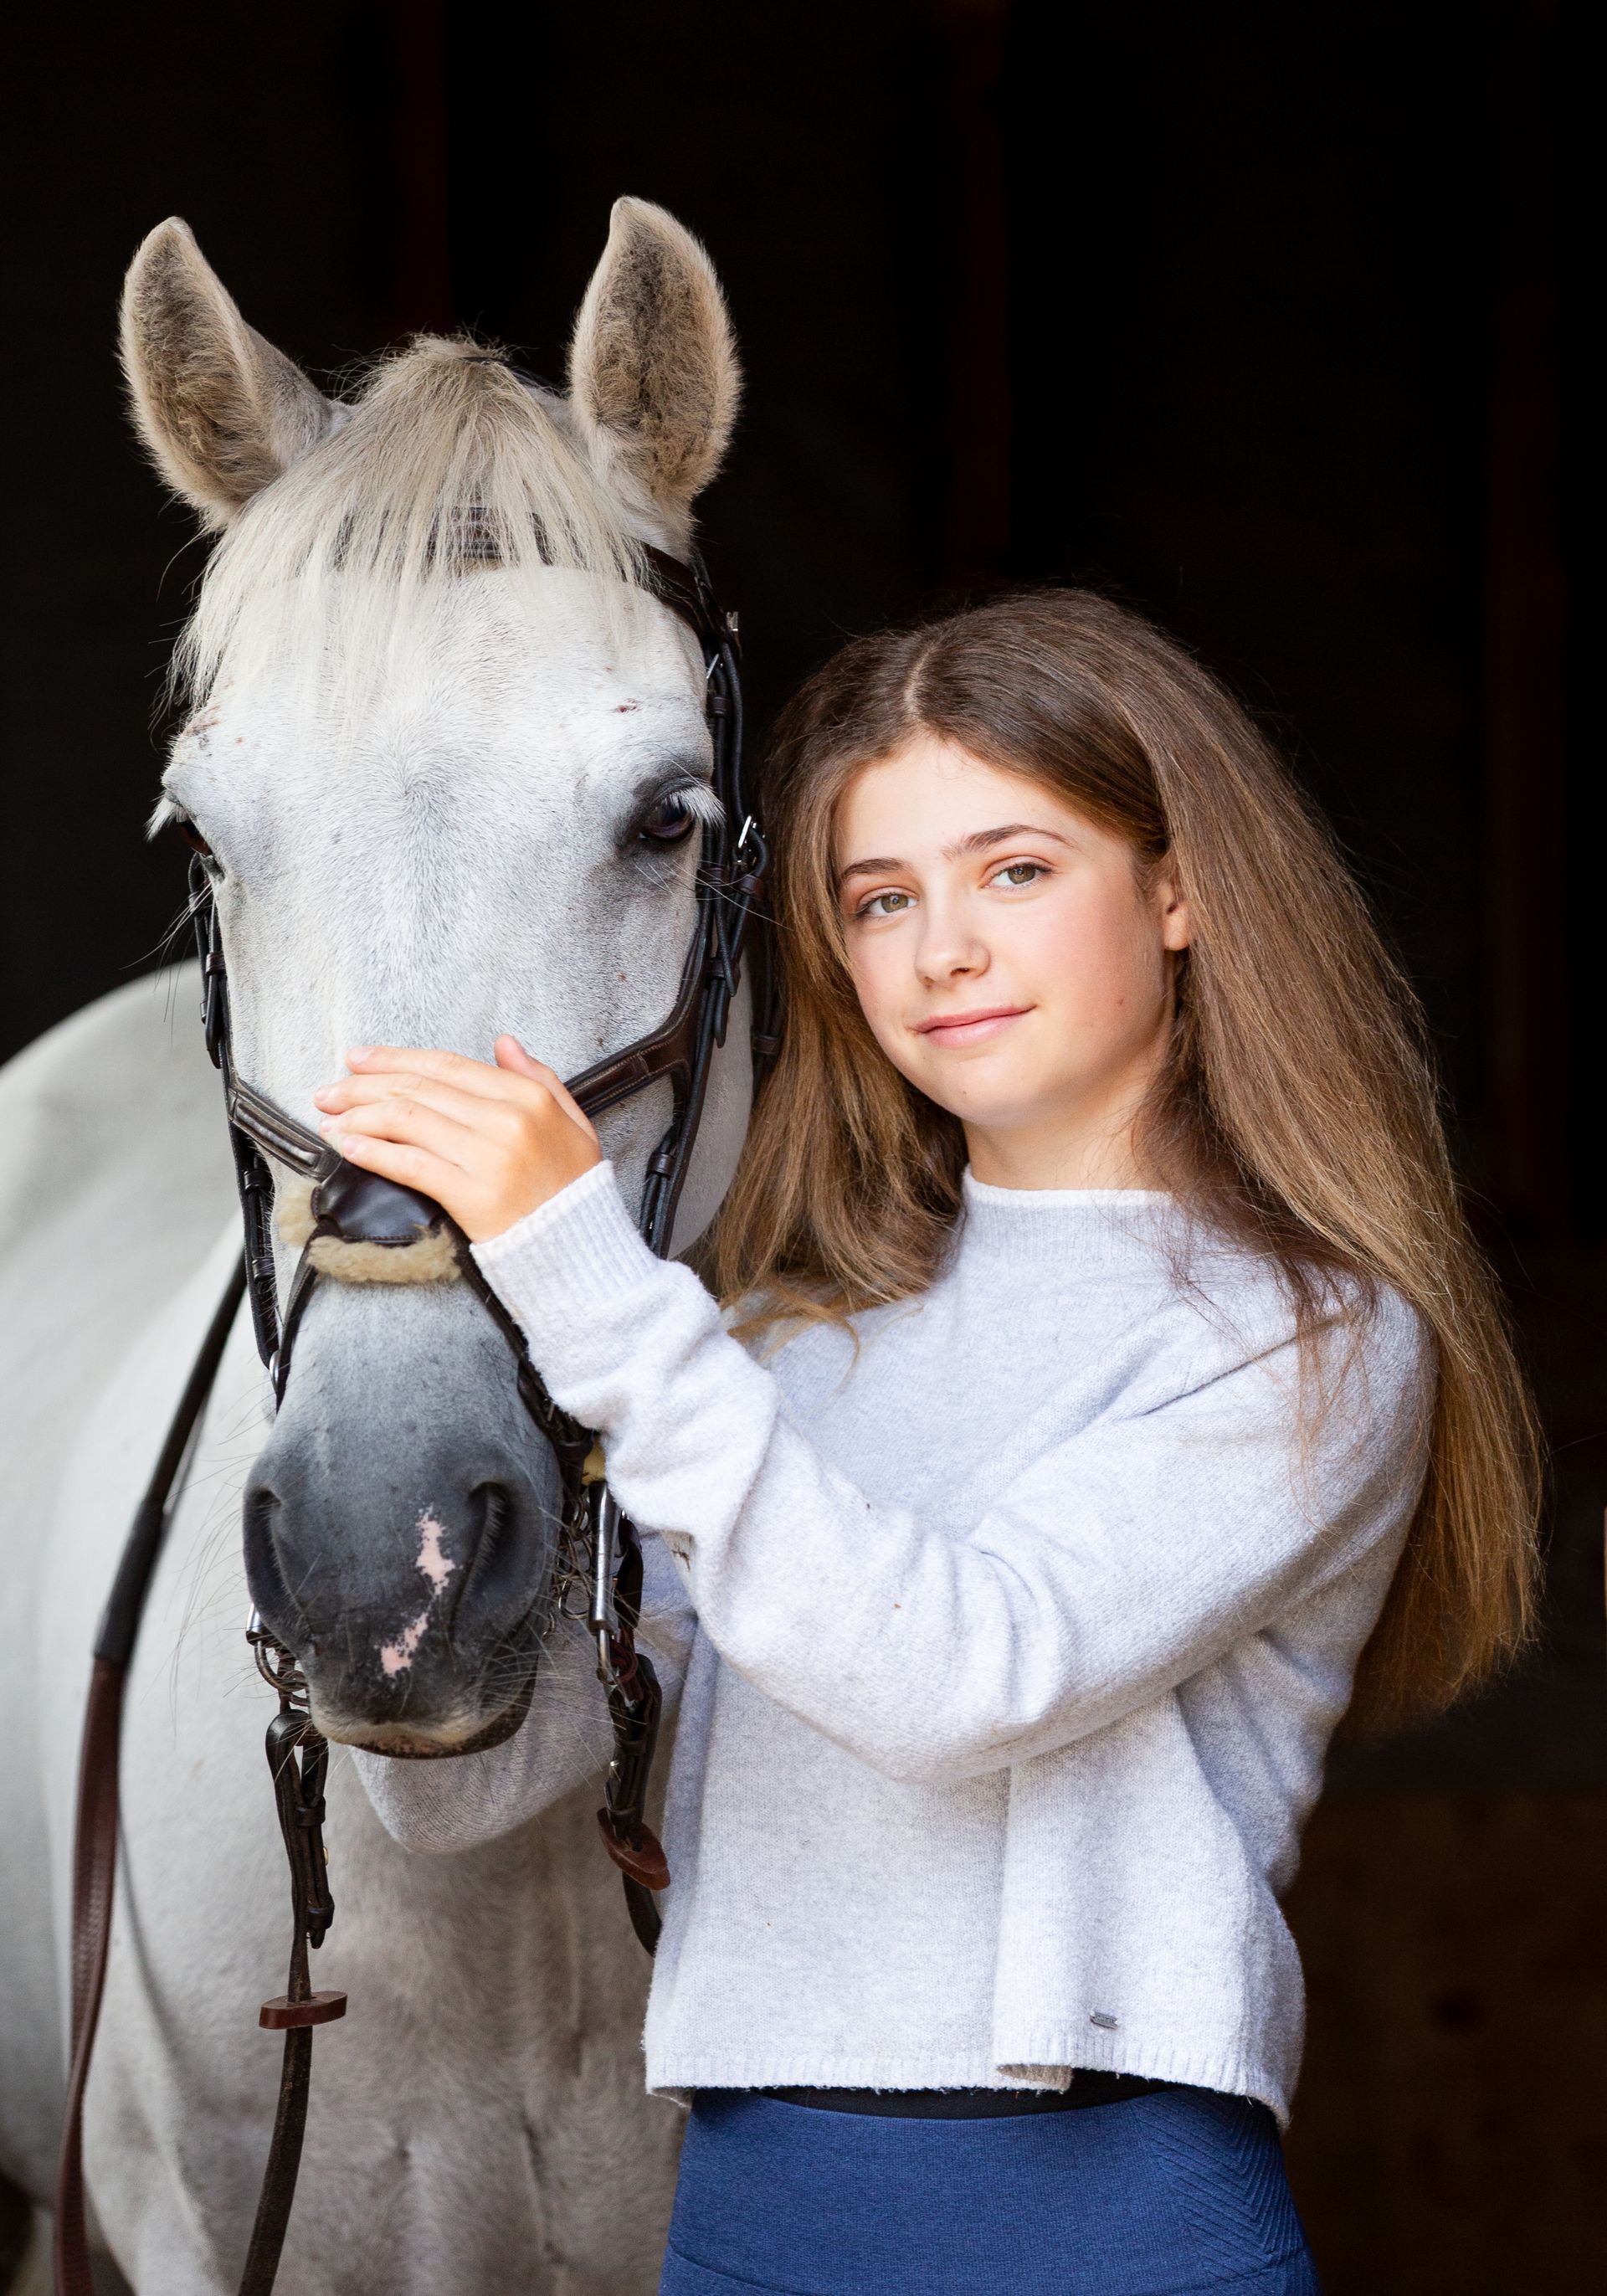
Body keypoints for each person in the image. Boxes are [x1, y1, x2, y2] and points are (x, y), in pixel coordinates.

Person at [319, 589, 1539, 2296]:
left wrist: (583, 1271)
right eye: (879, 899)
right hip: (747, 2217)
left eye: (1016, 869)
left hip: (1104, 2227)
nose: (940, 949)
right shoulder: (781, 1346)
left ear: (1180, 888)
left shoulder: (1310, 1334)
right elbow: (491, 1792)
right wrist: (381, 1521)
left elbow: (965, 1675)